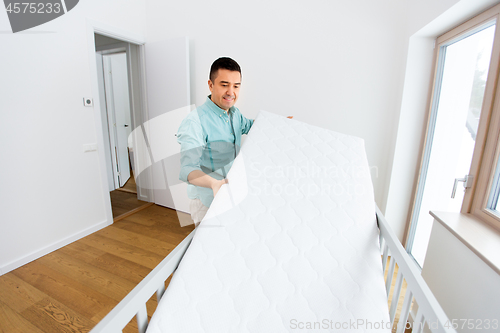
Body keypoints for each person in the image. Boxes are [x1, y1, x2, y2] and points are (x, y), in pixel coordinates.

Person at [177, 57, 253, 226]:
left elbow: (251, 126)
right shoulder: (195, 122)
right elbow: (188, 169)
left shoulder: (234, 114)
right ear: (211, 85)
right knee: (210, 247)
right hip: (207, 199)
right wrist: (214, 184)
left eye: (236, 86)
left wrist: (279, 123)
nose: (231, 92)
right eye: (224, 85)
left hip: (230, 192)